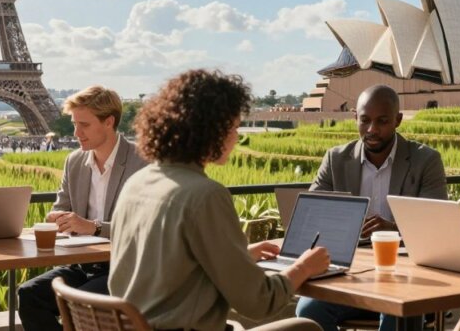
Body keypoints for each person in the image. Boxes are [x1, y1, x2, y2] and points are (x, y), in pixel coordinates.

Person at [109, 69, 329, 331]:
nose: (237, 137)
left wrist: (240, 257)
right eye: (234, 127)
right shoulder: (205, 195)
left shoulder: (137, 183)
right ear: (212, 130)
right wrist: (304, 267)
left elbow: (165, 268)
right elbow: (258, 303)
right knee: (306, 327)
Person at [297, 84, 447, 331]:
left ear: (398, 120)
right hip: (351, 275)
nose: (372, 129)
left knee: (398, 310)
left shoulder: (426, 161)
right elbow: (313, 217)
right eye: (365, 120)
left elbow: (436, 228)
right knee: (308, 311)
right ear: (355, 116)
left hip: (408, 277)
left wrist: (394, 230)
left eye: (382, 121)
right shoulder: (335, 159)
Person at [18, 86, 148, 331]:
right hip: (83, 264)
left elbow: (146, 228)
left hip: (126, 268)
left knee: (80, 307)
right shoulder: (75, 161)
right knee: (29, 295)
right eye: (74, 124)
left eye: (84, 125)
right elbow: (61, 207)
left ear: (109, 121)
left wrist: (94, 227)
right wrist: (58, 217)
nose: (76, 133)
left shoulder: (142, 161)